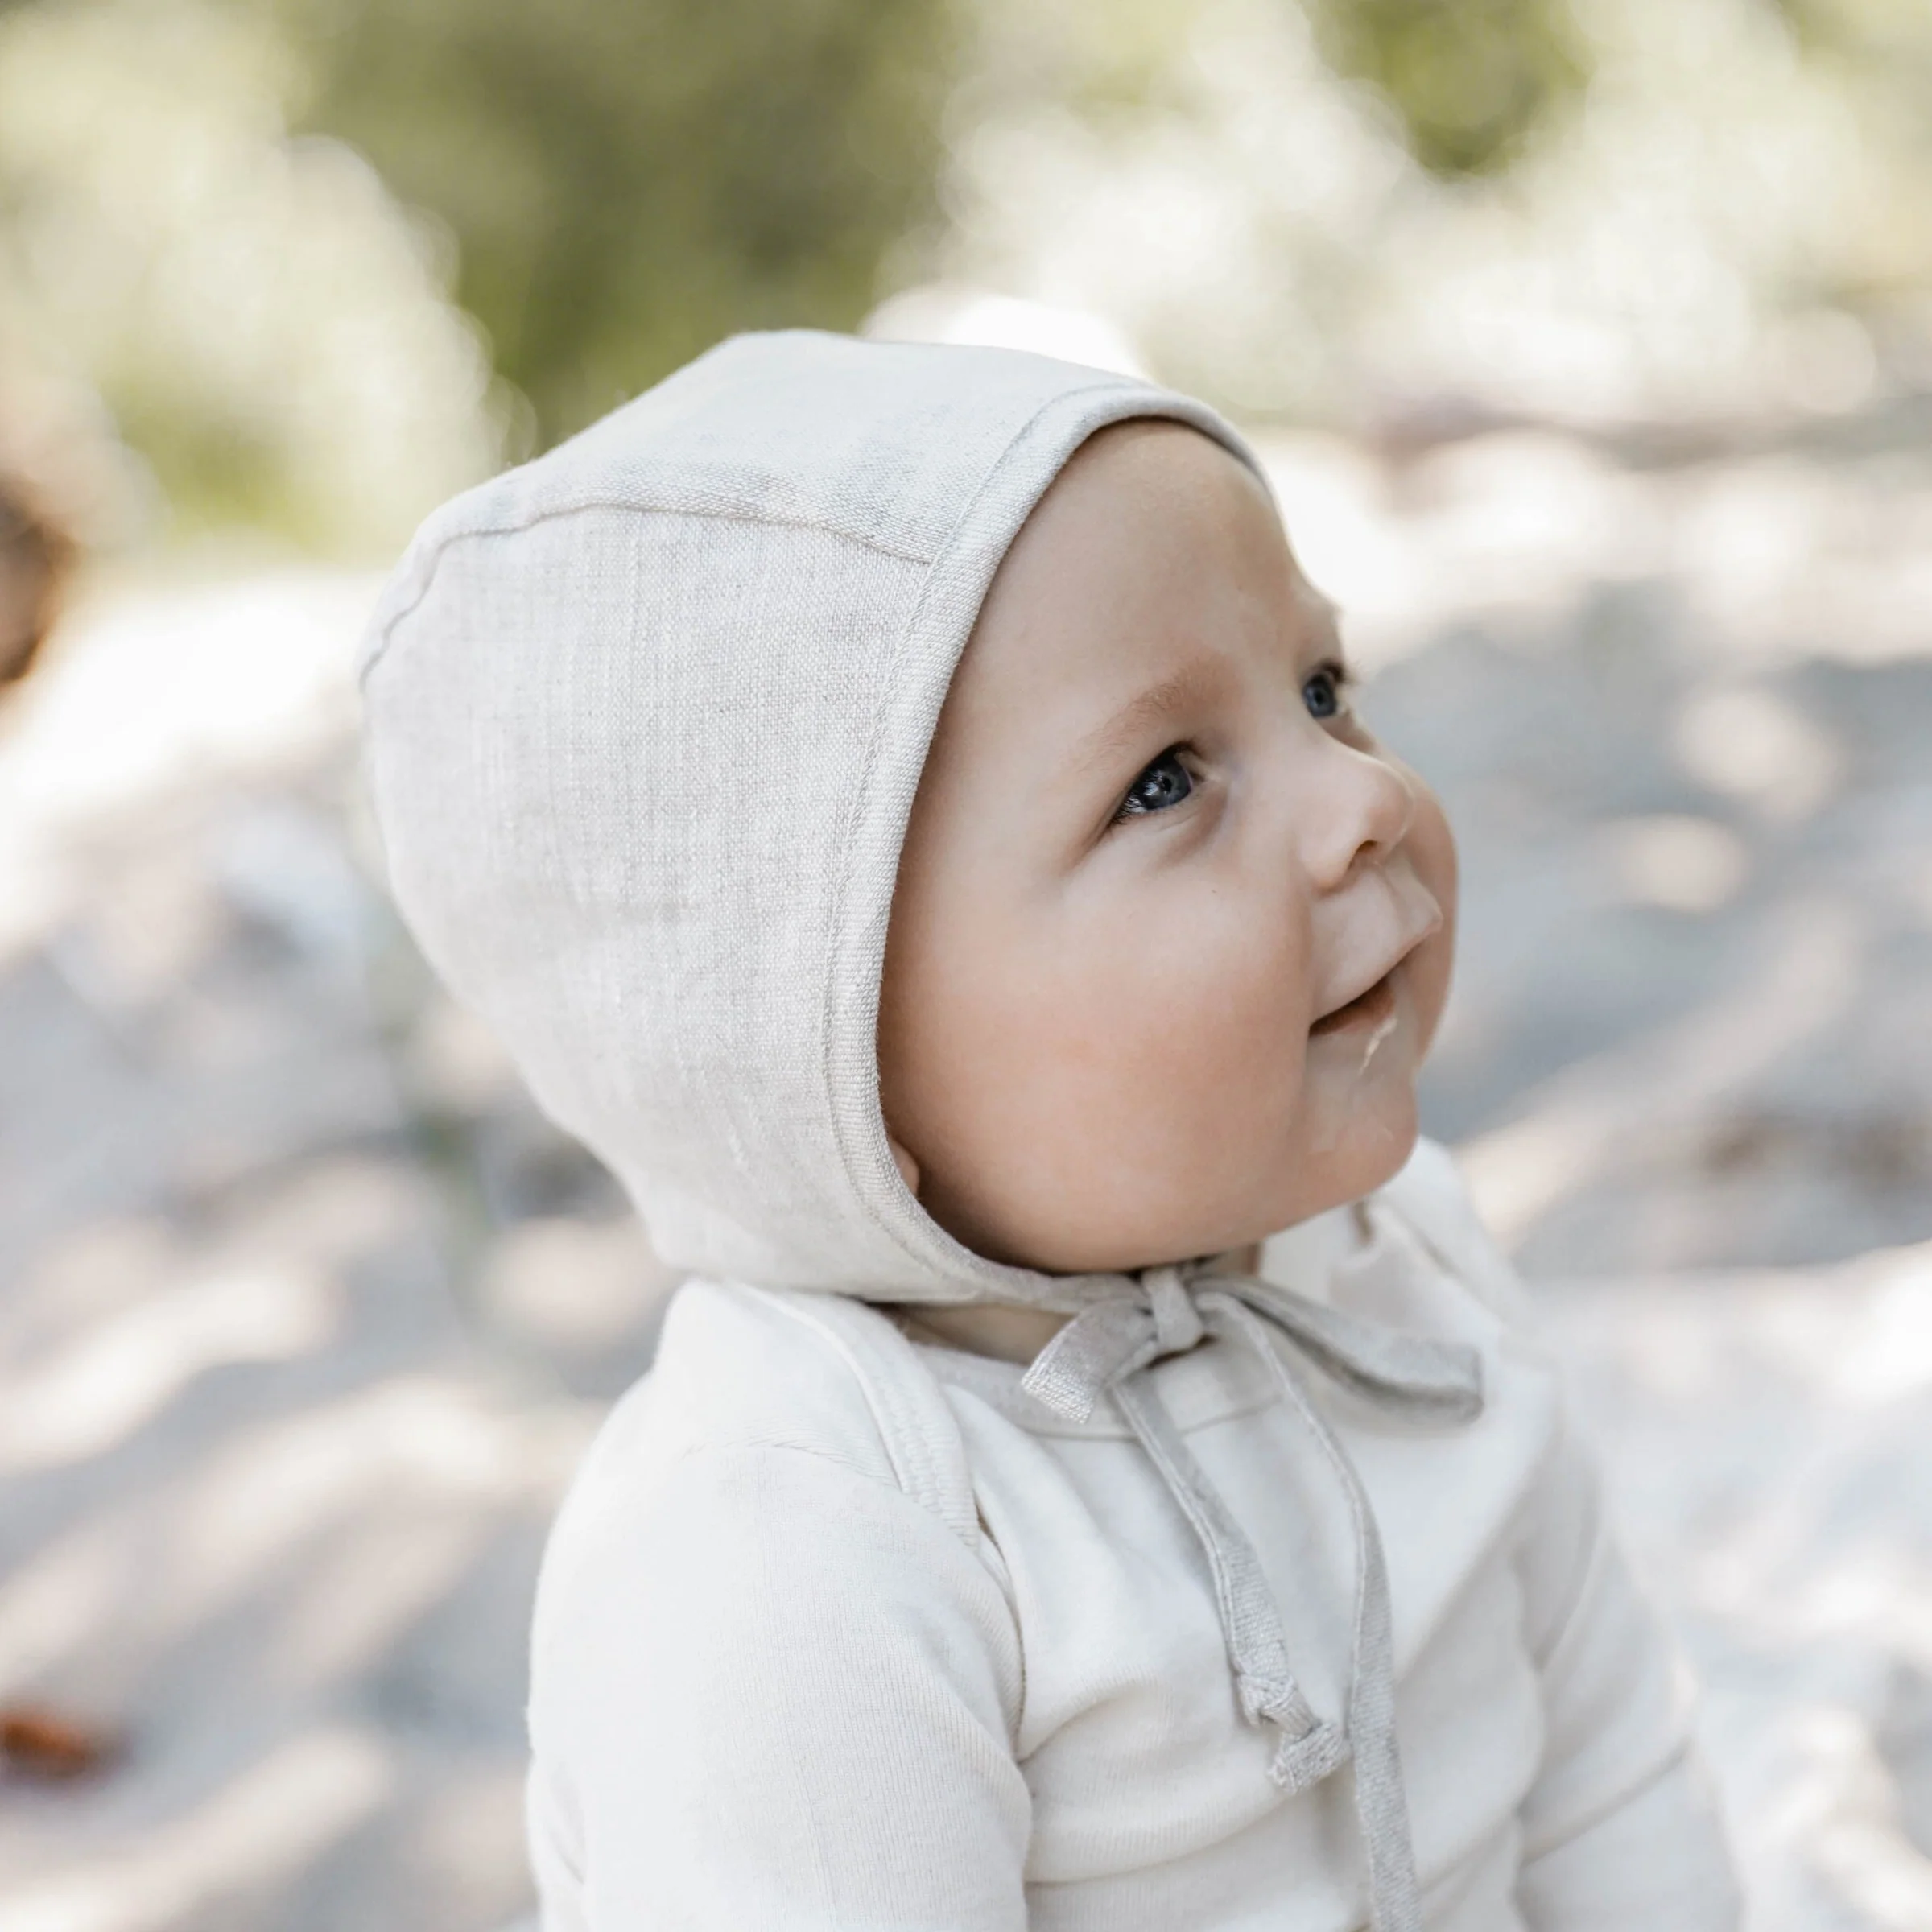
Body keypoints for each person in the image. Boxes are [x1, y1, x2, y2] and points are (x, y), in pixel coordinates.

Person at [359, 332, 1740, 1930]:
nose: (1362, 800)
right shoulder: (795, 1543)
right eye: (1163, 783)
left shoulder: (1402, 1259)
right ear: (827, 1066)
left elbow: (1610, 1775)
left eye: (1321, 691)